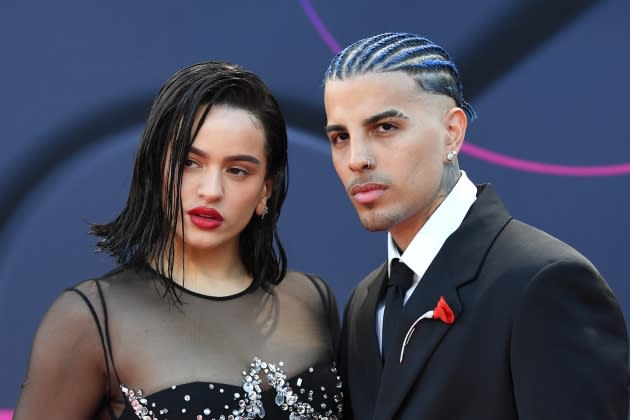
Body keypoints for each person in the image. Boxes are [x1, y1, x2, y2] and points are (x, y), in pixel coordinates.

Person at [322, 32, 628, 419]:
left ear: (452, 131)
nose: (356, 159)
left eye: (385, 128)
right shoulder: (365, 302)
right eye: (340, 137)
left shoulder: (545, 282)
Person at [14, 61, 342, 419]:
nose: (210, 190)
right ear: (155, 168)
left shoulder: (311, 299)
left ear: (266, 189)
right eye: (189, 162)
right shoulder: (90, 317)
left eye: (237, 170)